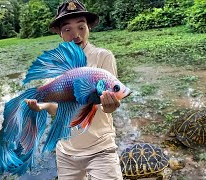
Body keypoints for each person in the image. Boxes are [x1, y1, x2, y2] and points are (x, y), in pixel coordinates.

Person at [25, 0, 123, 179]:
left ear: (88, 28)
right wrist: (42, 107)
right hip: (66, 152)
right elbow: (59, 109)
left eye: (81, 27)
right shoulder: (55, 65)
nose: (76, 35)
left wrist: (110, 107)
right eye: (68, 30)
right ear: (60, 34)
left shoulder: (102, 56)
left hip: (101, 147)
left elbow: (109, 103)